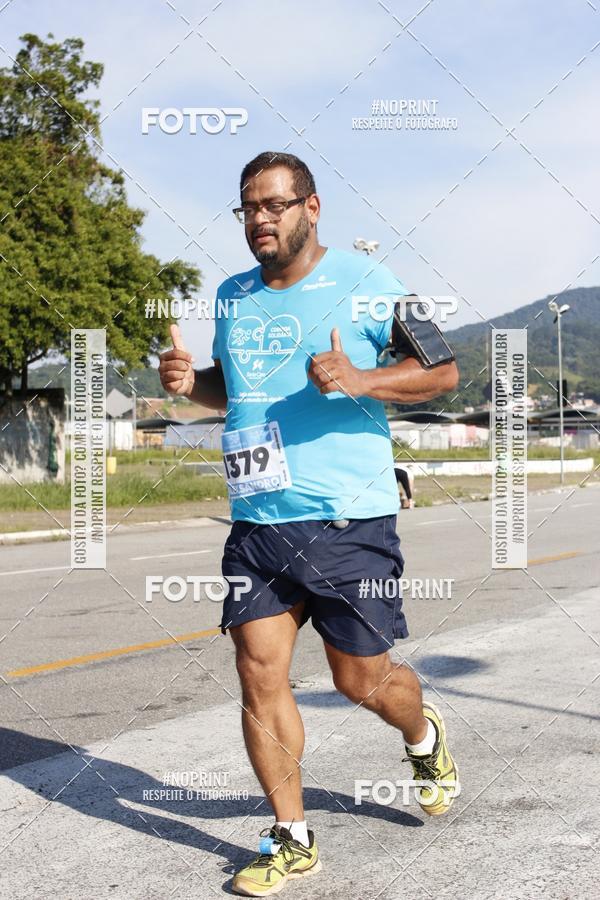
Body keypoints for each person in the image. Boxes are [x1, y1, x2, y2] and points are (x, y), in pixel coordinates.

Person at [158, 151, 460, 898]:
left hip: (347, 517)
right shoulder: (232, 297)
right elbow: (231, 392)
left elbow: (446, 371)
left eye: (274, 205)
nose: (259, 219)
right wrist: (187, 385)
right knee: (258, 676)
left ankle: (422, 737)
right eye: (247, 208)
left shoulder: (372, 284)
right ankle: (291, 837)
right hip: (257, 519)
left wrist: (364, 379)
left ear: (312, 208)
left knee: (359, 680)